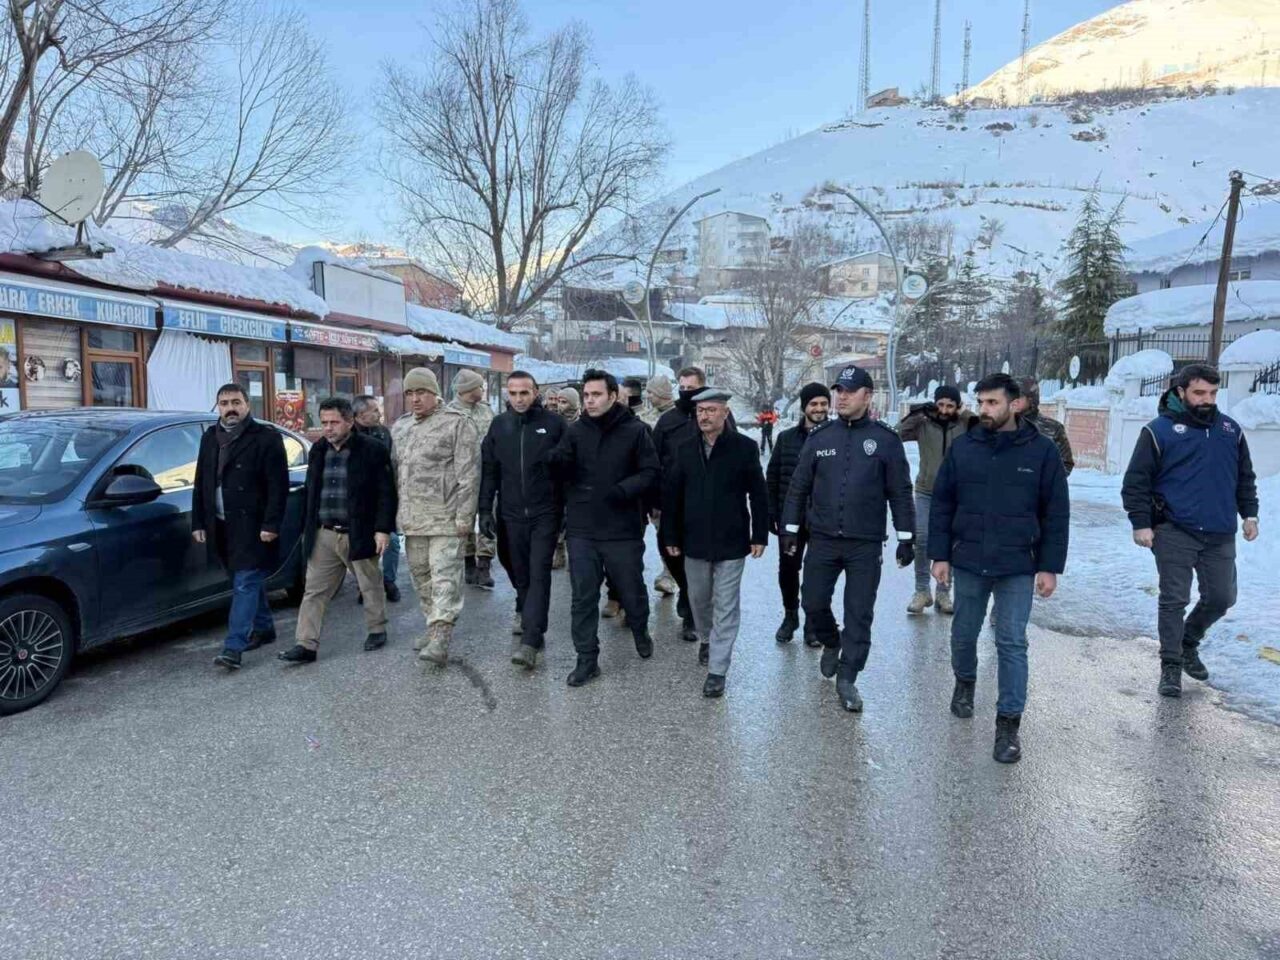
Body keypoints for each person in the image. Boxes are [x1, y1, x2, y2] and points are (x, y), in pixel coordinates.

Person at [929, 373, 1070, 764]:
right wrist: (940, 555)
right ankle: (965, 682)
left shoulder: (1042, 452)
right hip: (969, 560)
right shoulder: (964, 448)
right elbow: (942, 503)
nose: (984, 409)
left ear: (1015, 404)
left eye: (992, 402)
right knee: (963, 634)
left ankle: (1008, 725)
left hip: (1018, 564)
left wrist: (1049, 566)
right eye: (981, 402)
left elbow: (1056, 513)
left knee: (1011, 641)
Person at [780, 364, 915, 713]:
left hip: (864, 543)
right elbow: (798, 487)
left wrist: (906, 537)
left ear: (868, 396)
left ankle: (848, 677)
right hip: (823, 539)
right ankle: (831, 640)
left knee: (859, 612)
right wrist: (790, 529)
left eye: (849, 391)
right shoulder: (820, 437)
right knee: (812, 602)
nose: (841, 397)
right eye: (838, 390)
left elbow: (900, 491)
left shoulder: (885, 440)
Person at [1121, 363, 1259, 698]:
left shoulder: (1231, 430)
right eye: (1199, 393)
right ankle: (1171, 665)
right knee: (1174, 599)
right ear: (1181, 392)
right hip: (1174, 529)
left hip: (1219, 531)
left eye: (1212, 393)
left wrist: (1250, 514)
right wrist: (1141, 523)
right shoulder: (1159, 431)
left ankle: (1187, 641)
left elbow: (1244, 477)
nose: (1207, 399)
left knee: (1222, 598)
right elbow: (1136, 482)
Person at [550, 368, 660, 687]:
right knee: (583, 597)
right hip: (582, 528)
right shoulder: (575, 431)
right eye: (586, 395)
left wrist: (622, 491)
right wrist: (555, 463)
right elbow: (561, 468)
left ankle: (640, 628)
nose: (590, 401)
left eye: (596, 395)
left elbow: (651, 472)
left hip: (621, 528)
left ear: (612, 396)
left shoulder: (635, 431)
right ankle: (587, 659)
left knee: (631, 590)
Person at [662, 388, 768, 697]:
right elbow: (672, 495)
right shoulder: (684, 449)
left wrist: (759, 534)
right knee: (698, 599)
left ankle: (717, 670)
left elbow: (758, 494)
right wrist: (670, 535)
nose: (704, 416)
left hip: (731, 540)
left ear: (725, 413)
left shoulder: (744, 448)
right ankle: (707, 638)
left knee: (726, 604)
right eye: (700, 411)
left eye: (711, 410)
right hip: (693, 540)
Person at [276, 398, 398, 664]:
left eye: (334, 422)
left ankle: (377, 629)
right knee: (314, 591)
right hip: (324, 532)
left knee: (369, 583)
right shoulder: (319, 450)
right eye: (324, 423)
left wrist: (382, 529)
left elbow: (385, 492)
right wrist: (307, 529)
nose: (328, 428)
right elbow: (311, 491)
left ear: (350, 421)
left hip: (359, 531)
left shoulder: (372, 449)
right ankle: (306, 644)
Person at [192, 383, 288, 670]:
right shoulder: (210, 437)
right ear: (218, 407)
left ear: (247, 404)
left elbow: (278, 486)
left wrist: (271, 524)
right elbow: (201, 481)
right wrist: (199, 521)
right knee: (243, 579)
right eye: (224, 403)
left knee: (244, 583)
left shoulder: (266, 438)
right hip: (221, 524)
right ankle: (264, 627)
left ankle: (233, 647)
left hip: (253, 525)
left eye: (236, 402)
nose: (230, 408)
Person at [392, 367, 481, 666]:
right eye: (410, 393)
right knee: (421, 578)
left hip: (446, 517)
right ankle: (432, 627)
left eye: (421, 392)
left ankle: (441, 637)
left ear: (435, 393)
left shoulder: (457, 423)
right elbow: (396, 475)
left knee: (445, 577)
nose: (415, 399)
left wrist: (465, 518)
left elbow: (469, 476)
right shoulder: (401, 427)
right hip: (413, 519)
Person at [479, 370, 566, 670]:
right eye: (513, 393)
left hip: (545, 513)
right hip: (510, 513)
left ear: (535, 392)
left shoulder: (554, 425)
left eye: (524, 393)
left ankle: (531, 639)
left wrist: (566, 511)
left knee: (538, 572)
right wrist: (484, 510)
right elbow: (489, 470)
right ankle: (526, 607)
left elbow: (569, 470)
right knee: (517, 570)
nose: (518, 399)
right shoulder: (499, 425)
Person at [652, 366, 729, 643]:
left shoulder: (716, 417)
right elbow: (653, 460)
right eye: (682, 388)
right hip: (671, 501)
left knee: (699, 560)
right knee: (670, 551)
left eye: (691, 389)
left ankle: (692, 614)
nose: (686, 393)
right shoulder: (667, 421)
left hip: (705, 504)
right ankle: (687, 592)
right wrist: (654, 500)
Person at [898, 385, 979, 616]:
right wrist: (917, 414)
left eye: (950, 406)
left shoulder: (964, 425)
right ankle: (922, 590)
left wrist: (964, 413)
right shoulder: (924, 424)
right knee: (922, 537)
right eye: (940, 404)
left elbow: (985, 431)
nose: (944, 410)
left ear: (957, 406)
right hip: (926, 490)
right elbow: (897, 434)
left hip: (955, 493)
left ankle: (944, 592)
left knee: (951, 541)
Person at [766, 382, 830, 645]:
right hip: (791, 519)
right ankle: (790, 615)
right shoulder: (786, 439)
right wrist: (772, 513)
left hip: (823, 520)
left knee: (818, 573)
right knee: (788, 569)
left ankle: (812, 623)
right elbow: (772, 477)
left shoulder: (836, 437)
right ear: (804, 407)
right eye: (814, 404)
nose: (819, 408)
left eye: (824, 403)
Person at [449, 368, 496, 589]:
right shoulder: (449, 414)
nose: (482, 389)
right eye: (479, 386)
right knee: (464, 519)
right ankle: (468, 562)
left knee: (488, 516)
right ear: (469, 389)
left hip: (486, 474)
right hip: (460, 477)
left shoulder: (486, 411)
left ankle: (484, 565)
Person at [353, 394, 401, 603]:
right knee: (362, 545)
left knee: (392, 542)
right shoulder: (349, 435)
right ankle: (365, 586)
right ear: (360, 414)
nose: (379, 413)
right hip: (360, 501)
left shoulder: (383, 433)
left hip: (384, 497)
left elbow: (392, 464)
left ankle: (389, 581)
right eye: (374, 410)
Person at [640, 374, 679, 598]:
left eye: (651, 392)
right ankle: (668, 571)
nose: (648, 396)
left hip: (671, 487)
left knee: (671, 533)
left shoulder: (676, 417)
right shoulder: (648, 416)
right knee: (661, 532)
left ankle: (670, 574)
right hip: (654, 487)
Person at [1015, 377, 1075, 476]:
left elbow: (1065, 464)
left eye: (1018, 396)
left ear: (1031, 398)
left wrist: (1043, 479)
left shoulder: (1053, 428)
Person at [551, 386, 581, 570]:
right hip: (558, 478)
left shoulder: (584, 422)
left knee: (575, 518)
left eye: (564, 402)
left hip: (578, 478)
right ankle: (559, 550)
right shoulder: (554, 423)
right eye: (558, 401)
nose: (560, 406)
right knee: (558, 517)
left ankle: (574, 555)